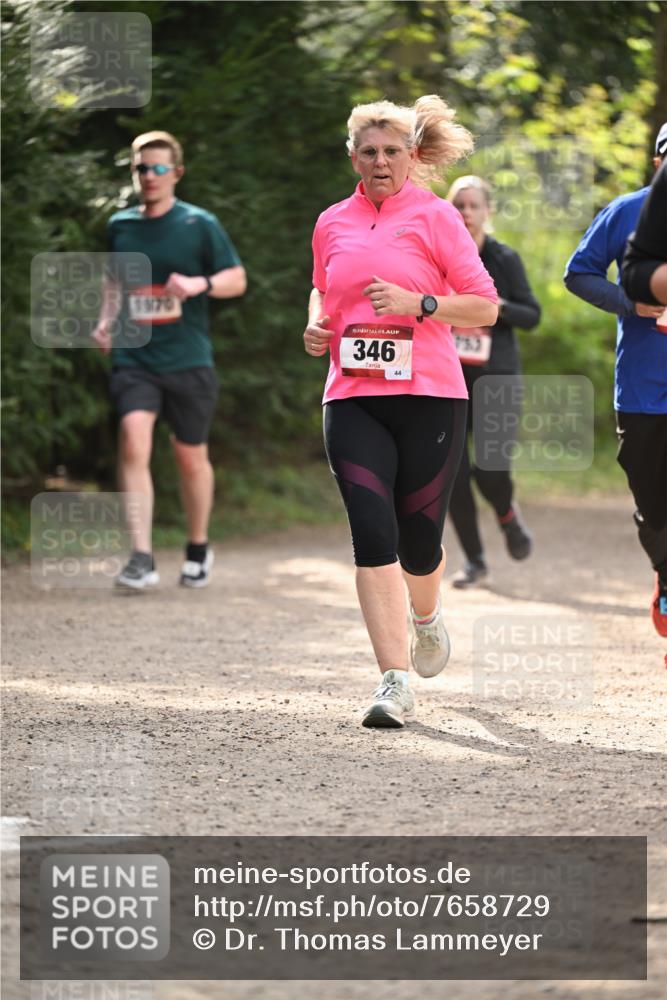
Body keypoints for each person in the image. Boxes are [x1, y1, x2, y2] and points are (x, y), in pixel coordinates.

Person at [305, 96, 498, 728]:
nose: (380, 161)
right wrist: (315, 323)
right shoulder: (331, 219)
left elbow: (484, 306)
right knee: (371, 530)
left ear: (412, 156)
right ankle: (393, 680)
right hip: (353, 395)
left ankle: (426, 614)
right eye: (369, 151)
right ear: (352, 156)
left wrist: (420, 303)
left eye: (392, 151)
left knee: (419, 542)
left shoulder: (439, 218)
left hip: (430, 395)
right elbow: (322, 285)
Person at [92, 130, 247, 591]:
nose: (149, 176)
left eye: (159, 168)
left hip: (188, 358)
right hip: (135, 355)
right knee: (133, 440)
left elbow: (237, 278)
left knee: (189, 457)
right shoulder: (121, 224)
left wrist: (200, 284)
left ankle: (197, 547)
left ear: (176, 173)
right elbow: (114, 282)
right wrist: (104, 322)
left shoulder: (199, 223)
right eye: (142, 168)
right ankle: (141, 556)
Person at [564, 124, 667, 637]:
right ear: (657, 163)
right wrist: (631, 302)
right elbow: (578, 272)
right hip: (644, 387)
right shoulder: (628, 211)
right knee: (652, 504)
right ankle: (665, 574)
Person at [446, 176, 540, 588]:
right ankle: (475, 560)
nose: (465, 212)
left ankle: (507, 514)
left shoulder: (504, 258)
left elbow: (531, 315)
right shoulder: (437, 256)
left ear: (488, 212)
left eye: (473, 205)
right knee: (451, 472)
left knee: (491, 469)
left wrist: (492, 306)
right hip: (447, 377)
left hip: (496, 376)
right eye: (458, 205)